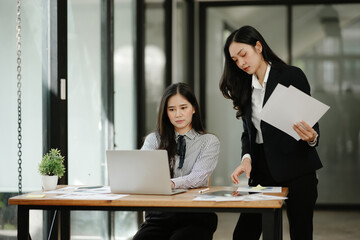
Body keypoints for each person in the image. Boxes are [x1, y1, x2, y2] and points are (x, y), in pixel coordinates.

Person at [219, 25, 323, 240]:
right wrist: (246, 158)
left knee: (301, 234)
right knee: (243, 234)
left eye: (243, 55)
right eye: (235, 60)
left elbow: (311, 123)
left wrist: (312, 138)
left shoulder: (291, 75)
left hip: (298, 170)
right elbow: (248, 132)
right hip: (262, 172)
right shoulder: (243, 86)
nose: (241, 63)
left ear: (258, 47)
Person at [132, 82, 220, 240]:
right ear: (166, 113)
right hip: (160, 217)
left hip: (195, 216)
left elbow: (198, 177)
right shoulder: (154, 140)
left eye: (183, 108)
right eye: (171, 109)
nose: (178, 114)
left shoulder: (209, 141)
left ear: (193, 108)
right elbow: (142, 173)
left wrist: (170, 184)